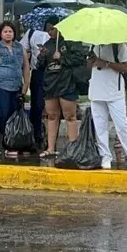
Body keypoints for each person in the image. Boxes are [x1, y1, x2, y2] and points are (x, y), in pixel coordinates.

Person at [87, 41, 127, 171]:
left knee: (122, 125)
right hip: (96, 89)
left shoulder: (119, 46)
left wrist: (106, 63)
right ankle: (105, 156)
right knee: (100, 126)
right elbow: (89, 66)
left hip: (114, 90)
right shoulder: (93, 45)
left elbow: (126, 67)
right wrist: (91, 60)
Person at [37, 17, 83, 158]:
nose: (50, 32)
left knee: (70, 116)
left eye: (53, 28)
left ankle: (72, 148)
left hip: (66, 83)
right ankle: (51, 148)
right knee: (51, 116)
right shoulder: (47, 44)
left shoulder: (70, 42)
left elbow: (79, 58)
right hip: (51, 84)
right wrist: (42, 56)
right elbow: (40, 66)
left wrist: (62, 58)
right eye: (48, 29)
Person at [0, 21, 30, 157]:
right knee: (4, 115)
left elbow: (26, 67)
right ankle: (7, 144)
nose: (8, 33)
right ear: (0, 34)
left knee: (16, 115)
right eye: (5, 31)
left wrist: (25, 85)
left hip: (17, 86)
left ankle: (18, 142)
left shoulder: (20, 48)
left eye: (10, 31)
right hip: (2, 86)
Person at [20, 20, 51, 150]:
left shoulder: (60, 37)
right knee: (37, 105)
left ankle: (49, 138)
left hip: (53, 73)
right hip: (37, 72)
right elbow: (22, 48)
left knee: (51, 106)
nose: (51, 30)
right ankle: (36, 135)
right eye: (49, 27)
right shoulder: (32, 33)